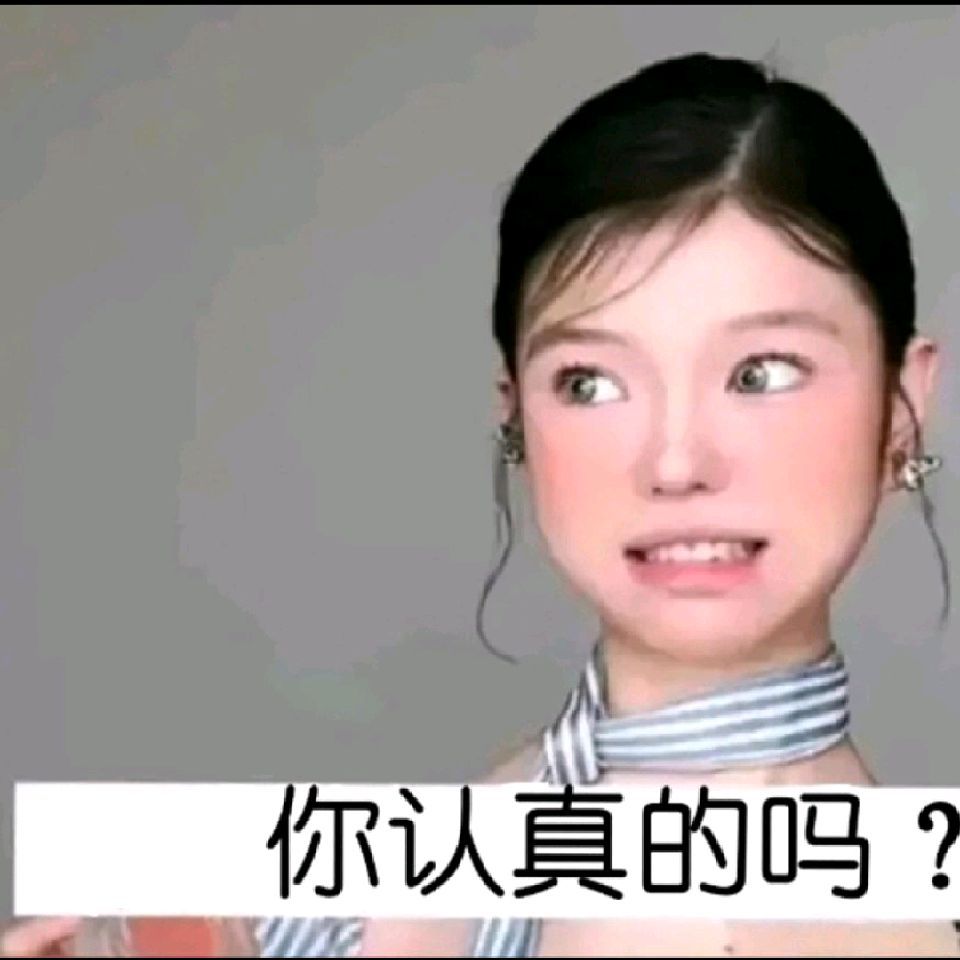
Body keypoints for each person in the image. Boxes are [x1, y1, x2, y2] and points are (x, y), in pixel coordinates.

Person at [3, 49, 955, 957]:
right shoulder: (326, 906)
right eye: (590, 383)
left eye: (762, 372)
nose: (675, 461)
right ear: (516, 415)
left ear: (902, 407)